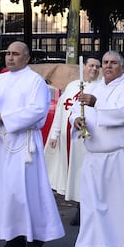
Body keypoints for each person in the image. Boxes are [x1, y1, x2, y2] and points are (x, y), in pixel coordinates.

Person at [60, 50, 124, 247]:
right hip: (95, 156)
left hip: (120, 155)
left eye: (113, 63)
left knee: (121, 205)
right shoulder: (93, 87)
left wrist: (96, 103)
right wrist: (76, 121)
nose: (108, 66)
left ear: (122, 66)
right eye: (105, 63)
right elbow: (74, 110)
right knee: (91, 206)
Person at [0, 41, 64, 247]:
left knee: (27, 191)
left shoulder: (35, 81)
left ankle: (37, 236)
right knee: (5, 191)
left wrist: (5, 117)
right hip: (1, 144)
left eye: (15, 54)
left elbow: (37, 111)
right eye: (8, 54)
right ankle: (13, 237)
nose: (10, 57)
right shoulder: (0, 79)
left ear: (26, 58)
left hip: (24, 144)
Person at [45, 56, 101, 226]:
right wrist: (54, 134)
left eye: (97, 66)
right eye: (91, 65)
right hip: (67, 139)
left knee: (86, 175)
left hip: (88, 140)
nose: (94, 69)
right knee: (72, 175)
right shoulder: (72, 86)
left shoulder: (101, 88)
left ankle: (85, 210)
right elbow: (61, 112)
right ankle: (79, 206)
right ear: (83, 66)